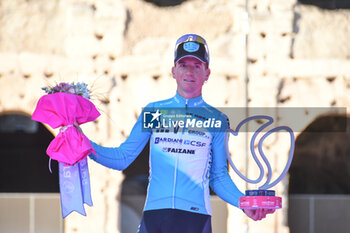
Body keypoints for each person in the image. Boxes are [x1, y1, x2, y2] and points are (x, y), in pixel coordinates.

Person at [87, 34, 274, 233]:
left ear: (207, 73)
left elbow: (218, 177)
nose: (189, 71)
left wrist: (243, 203)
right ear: (173, 71)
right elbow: (122, 158)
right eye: (183, 65)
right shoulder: (153, 112)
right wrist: (82, 145)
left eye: (197, 65)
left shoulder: (217, 120)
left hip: (195, 218)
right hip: (155, 216)